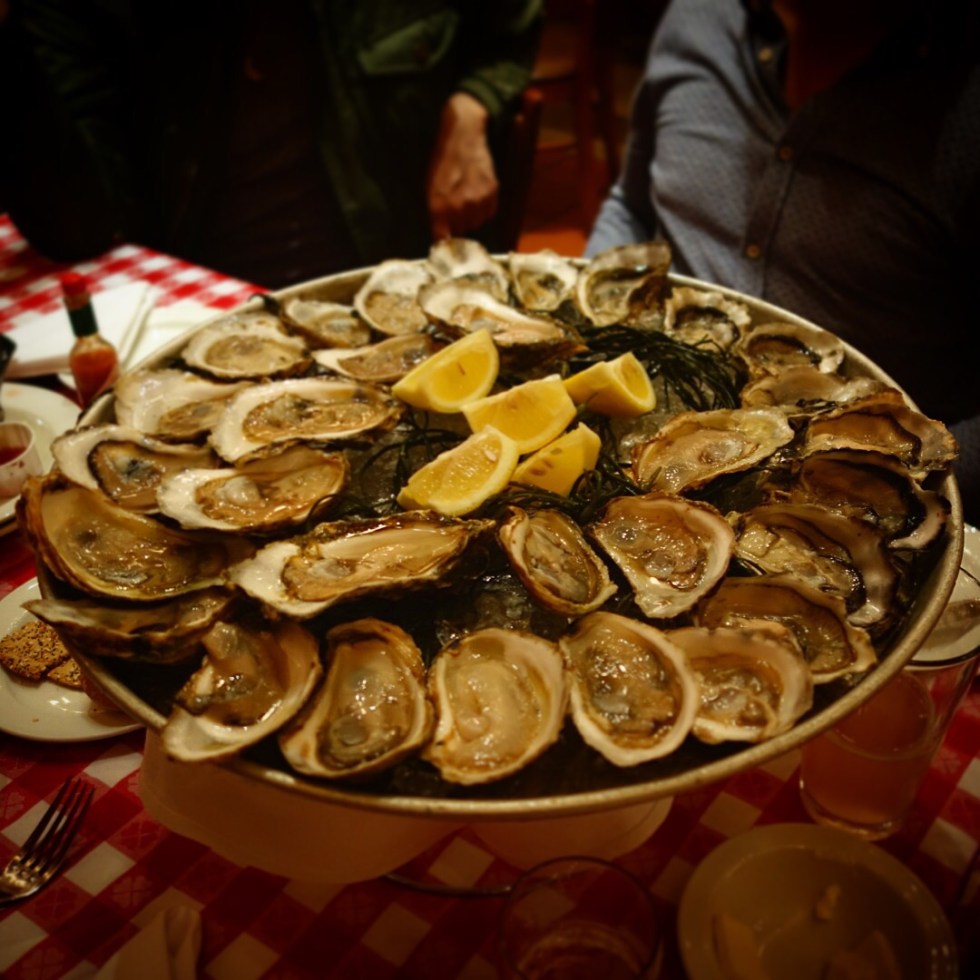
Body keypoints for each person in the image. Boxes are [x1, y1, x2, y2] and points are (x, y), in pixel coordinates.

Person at [585, 0, 980, 525]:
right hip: (637, 395)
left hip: (863, 486)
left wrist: (909, 500)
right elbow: (631, 208)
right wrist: (587, 331)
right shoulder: (697, 16)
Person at [0, 0, 542, 288]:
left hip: (401, 278)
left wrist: (472, 103)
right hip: (205, 306)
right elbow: (79, 227)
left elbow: (509, 28)